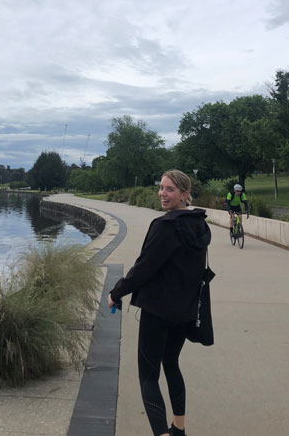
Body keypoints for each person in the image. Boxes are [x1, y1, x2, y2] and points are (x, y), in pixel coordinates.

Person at [108, 169, 211, 436]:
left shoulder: (166, 226)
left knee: (148, 376)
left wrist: (116, 292)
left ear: (184, 194)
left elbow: (143, 269)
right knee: (171, 364)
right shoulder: (198, 224)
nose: (163, 194)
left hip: (158, 311)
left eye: (170, 190)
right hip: (184, 311)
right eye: (162, 188)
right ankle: (178, 428)